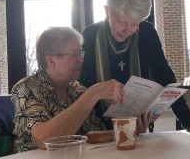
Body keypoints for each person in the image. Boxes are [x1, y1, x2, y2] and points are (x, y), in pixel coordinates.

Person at [79, 0, 190, 132]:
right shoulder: (90, 36)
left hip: (139, 127)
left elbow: (165, 77)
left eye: (134, 24)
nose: (128, 30)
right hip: (98, 131)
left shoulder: (146, 33)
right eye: (121, 22)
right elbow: (81, 88)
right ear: (107, 11)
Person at [11, 27, 149, 153]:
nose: (81, 60)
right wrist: (94, 93)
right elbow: (44, 139)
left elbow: (94, 135)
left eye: (80, 53)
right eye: (74, 55)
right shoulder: (26, 88)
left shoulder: (76, 89)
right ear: (51, 61)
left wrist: (129, 130)